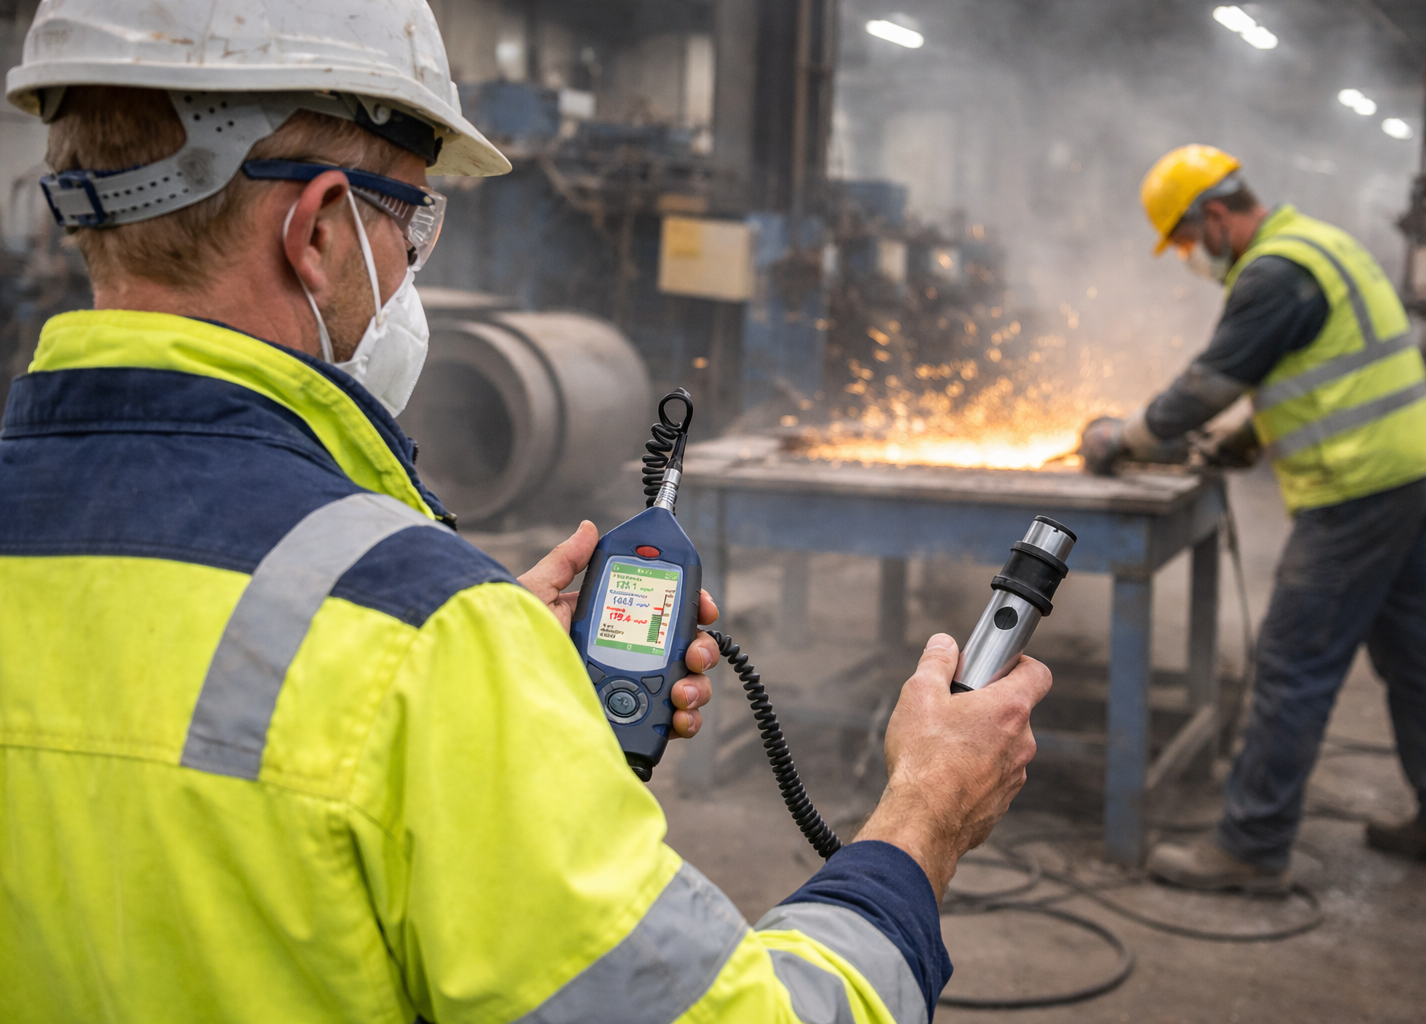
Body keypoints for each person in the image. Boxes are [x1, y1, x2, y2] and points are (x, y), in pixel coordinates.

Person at [0, 3, 1054, 1021]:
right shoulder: (426, 642)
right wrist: (926, 810)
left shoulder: (430, 642)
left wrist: (488, 695)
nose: (413, 266)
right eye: (411, 219)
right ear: (318, 230)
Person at [1081, 144, 1426, 891]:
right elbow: (1319, 365)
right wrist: (1248, 437)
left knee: (1294, 664)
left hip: (1355, 486)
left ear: (1213, 217)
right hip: (1406, 474)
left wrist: (1122, 438)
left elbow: (1206, 385)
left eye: (1180, 241)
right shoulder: (1320, 245)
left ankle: (1252, 845)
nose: (1184, 258)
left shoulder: (1273, 273)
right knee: (1415, 659)